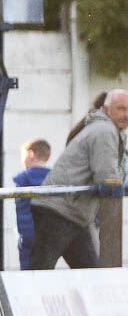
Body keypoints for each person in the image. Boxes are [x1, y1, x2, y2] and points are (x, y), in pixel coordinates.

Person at [29, 90, 128, 270]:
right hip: (61, 209)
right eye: (121, 109)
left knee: (90, 272)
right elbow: (107, 178)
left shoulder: (106, 129)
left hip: (74, 212)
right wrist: (121, 184)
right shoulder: (105, 131)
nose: (126, 115)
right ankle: (25, 298)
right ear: (106, 109)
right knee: (40, 270)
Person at [13, 139, 52, 270]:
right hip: (49, 230)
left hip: (27, 229)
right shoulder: (53, 177)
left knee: (27, 266)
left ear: (31, 154)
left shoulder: (22, 178)